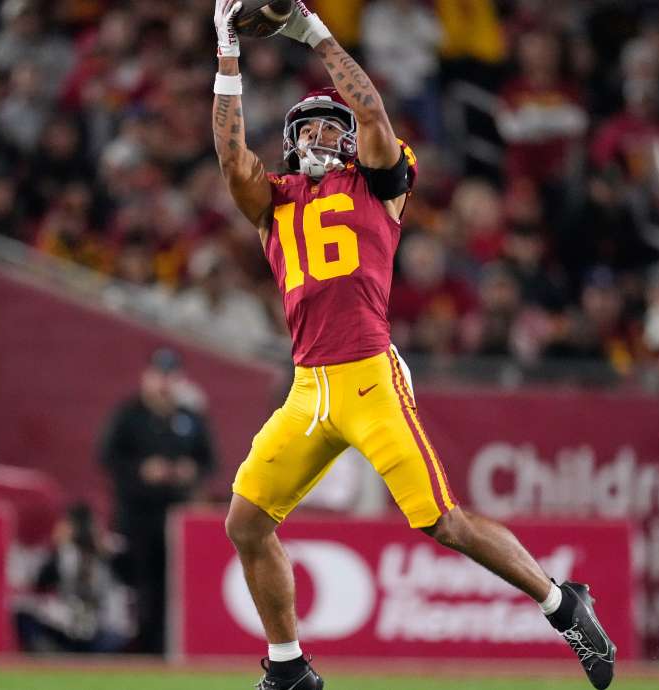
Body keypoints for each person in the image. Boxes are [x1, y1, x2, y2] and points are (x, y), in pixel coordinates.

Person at [209, 3, 616, 689]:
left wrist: (314, 33)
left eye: (326, 126)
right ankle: (288, 667)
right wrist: (226, 49)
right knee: (245, 523)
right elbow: (228, 155)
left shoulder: (376, 186)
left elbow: (371, 115)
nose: (316, 133)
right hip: (309, 388)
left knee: (443, 521)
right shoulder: (273, 202)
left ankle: (560, 602)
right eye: (304, 126)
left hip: (368, 378)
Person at [97, 347, 215, 655]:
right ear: (146, 377)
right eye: (158, 375)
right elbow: (108, 457)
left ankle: (166, 647)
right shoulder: (128, 415)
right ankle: (137, 647)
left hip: (176, 515)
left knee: (171, 584)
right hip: (135, 515)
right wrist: (141, 470)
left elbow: (208, 460)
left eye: (170, 376)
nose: (164, 383)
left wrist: (190, 471)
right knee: (137, 582)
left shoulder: (189, 418)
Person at [14, 502, 130, 653]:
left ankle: (54, 656)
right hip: (84, 626)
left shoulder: (105, 553)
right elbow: (40, 582)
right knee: (27, 613)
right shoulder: (72, 554)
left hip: (102, 630)